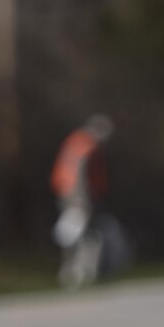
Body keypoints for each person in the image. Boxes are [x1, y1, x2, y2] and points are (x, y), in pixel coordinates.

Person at [50, 114, 119, 288]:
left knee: (79, 234)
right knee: (80, 235)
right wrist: (82, 199)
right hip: (77, 197)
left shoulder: (75, 141)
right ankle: (76, 273)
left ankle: (79, 273)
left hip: (67, 193)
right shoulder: (86, 146)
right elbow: (79, 174)